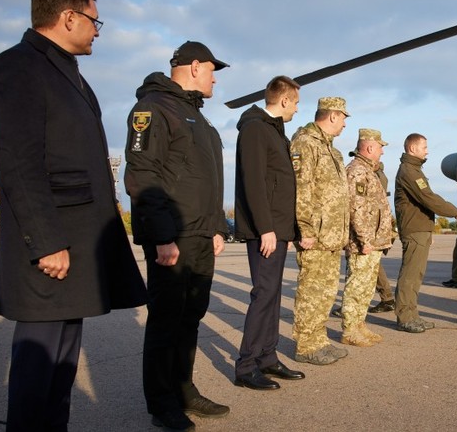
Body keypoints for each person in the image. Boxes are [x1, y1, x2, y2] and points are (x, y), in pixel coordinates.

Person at [0, 0, 148, 431]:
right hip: (51, 242)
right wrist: (46, 241)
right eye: (96, 21)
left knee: (62, 364)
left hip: (75, 241)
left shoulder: (71, 75)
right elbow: (19, 162)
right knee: (39, 364)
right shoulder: (16, 66)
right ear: (68, 17)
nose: (98, 30)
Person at [124, 40, 231, 430]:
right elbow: (142, 174)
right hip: (174, 236)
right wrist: (161, 236)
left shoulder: (199, 118)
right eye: (213, 70)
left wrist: (218, 227)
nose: (215, 79)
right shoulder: (153, 108)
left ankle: (184, 389)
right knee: (166, 319)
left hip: (202, 235)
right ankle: (161, 402)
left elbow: (209, 180)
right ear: (196, 66)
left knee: (191, 317)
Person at [233, 76, 306, 390]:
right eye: (297, 103)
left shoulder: (277, 132)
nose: (297, 110)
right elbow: (254, 182)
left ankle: (267, 357)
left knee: (273, 295)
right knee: (263, 295)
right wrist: (266, 229)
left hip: (279, 229)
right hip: (266, 230)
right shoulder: (255, 128)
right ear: (285, 99)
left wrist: (289, 229)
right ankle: (246, 366)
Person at [290, 97, 351, 365]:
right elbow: (301, 187)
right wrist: (304, 228)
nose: (345, 124)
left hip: (332, 235)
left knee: (326, 292)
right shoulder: (306, 143)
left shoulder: (333, 151)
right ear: (333, 115)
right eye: (344, 117)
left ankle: (319, 338)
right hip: (315, 233)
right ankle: (305, 345)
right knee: (311, 290)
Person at [394, 133, 457, 333]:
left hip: (420, 229)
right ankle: (405, 317)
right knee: (410, 275)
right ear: (412, 149)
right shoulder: (409, 171)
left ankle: (412, 315)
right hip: (414, 230)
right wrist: (456, 213)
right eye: (424, 147)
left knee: (416, 275)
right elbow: (429, 198)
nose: (427, 151)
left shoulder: (414, 170)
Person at [341, 129, 396, 347]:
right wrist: (364, 240)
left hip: (374, 242)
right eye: (380, 147)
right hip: (364, 242)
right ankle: (349, 330)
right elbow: (357, 208)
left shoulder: (368, 170)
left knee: (366, 287)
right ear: (370, 147)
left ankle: (359, 324)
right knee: (356, 286)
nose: (382, 152)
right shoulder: (357, 171)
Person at [368, 160, 397, 313]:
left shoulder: (375, 176)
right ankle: (387, 298)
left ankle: (387, 298)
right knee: (374, 264)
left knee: (370, 264)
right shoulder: (380, 175)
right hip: (378, 227)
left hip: (372, 228)